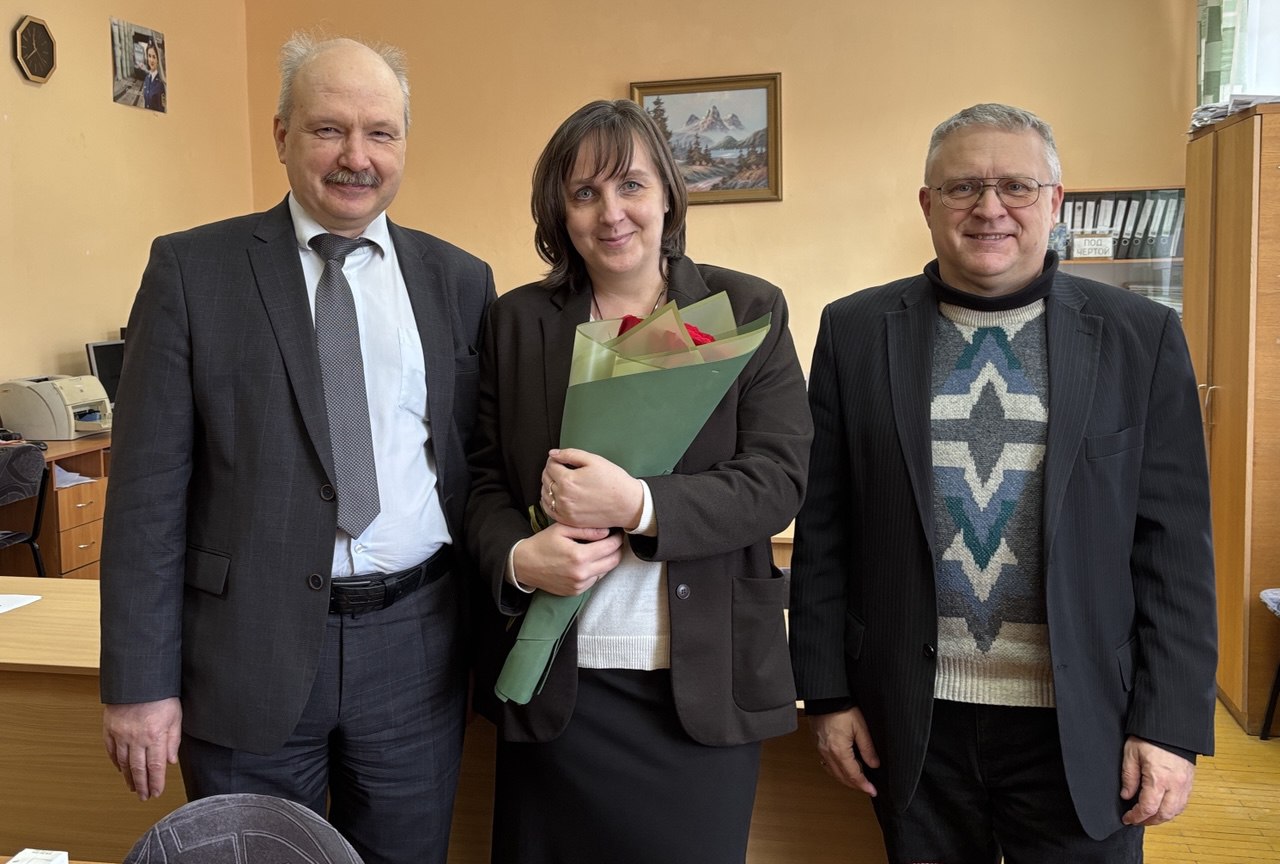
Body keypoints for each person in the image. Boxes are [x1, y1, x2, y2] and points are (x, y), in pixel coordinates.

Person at [99, 33, 495, 864]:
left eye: (380, 133)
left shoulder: (459, 281)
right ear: (281, 135)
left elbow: (475, 469)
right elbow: (145, 496)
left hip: (417, 650)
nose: (357, 156)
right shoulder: (192, 271)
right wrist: (139, 685)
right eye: (328, 130)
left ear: (404, 143)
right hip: (245, 653)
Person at [788, 103, 1217, 863]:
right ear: (928, 205)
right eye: (963, 188)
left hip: (1086, 720)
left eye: (1016, 186)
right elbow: (825, 530)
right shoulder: (854, 332)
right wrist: (826, 694)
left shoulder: (1140, 336)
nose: (990, 208)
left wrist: (1169, 726)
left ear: (1056, 202)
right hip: (912, 718)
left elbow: (1175, 549)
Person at [464, 99, 812, 864]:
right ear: (559, 211)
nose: (611, 212)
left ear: (667, 194)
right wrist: (519, 559)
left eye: (630, 185)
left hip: (700, 689)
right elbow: (481, 482)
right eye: (584, 193)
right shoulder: (516, 322)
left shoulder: (743, 309)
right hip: (557, 686)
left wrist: (642, 504)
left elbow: (778, 479)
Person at [142, 42, 165, 112]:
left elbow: (162, 109)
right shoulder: (146, 79)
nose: (151, 60)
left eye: (154, 57)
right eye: (149, 56)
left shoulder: (161, 82)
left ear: (158, 60)